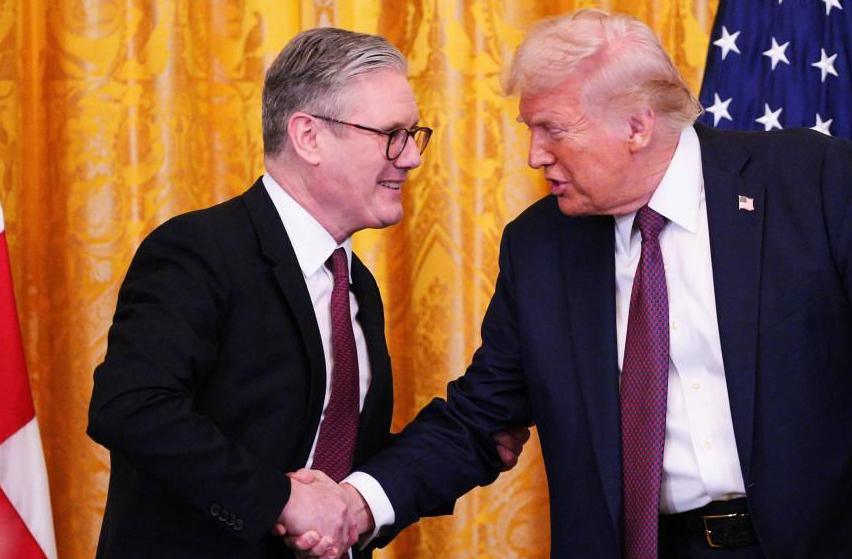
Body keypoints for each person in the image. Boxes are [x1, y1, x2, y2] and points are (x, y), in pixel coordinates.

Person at [290, 9, 852, 559]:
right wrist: (359, 502)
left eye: (551, 130)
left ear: (635, 124)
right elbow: (480, 419)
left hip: (831, 543)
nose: (535, 156)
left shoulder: (809, 180)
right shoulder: (541, 246)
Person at [87, 27, 524, 559]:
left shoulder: (353, 282)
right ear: (308, 136)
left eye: (414, 134)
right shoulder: (199, 250)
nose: (410, 157)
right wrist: (279, 501)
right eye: (392, 134)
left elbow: (328, 464)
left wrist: (469, 444)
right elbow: (131, 408)